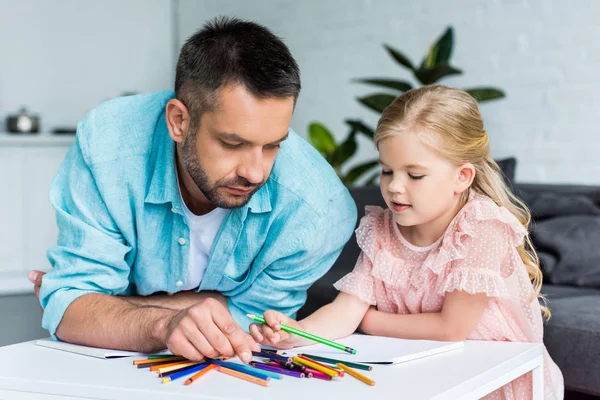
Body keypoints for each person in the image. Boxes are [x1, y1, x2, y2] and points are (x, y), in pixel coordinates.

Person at [28, 16, 357, 364]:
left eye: (273, 145)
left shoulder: (318, 209)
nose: (255, 171)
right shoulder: (109, 148)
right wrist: (162, 324)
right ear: (179, 121)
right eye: (233, 143)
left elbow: (255, 323)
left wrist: (99, 308)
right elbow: (70, 313)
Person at [250, 85, 564, 399]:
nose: (395, 187)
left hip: (490, 378)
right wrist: (297, 333)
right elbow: (347, 310)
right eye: (387, 171)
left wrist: (370, 321)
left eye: (414, 175)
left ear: (462, 177)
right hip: (427, 368)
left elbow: (450, 329)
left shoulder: (481, 226)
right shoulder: (383, 227)